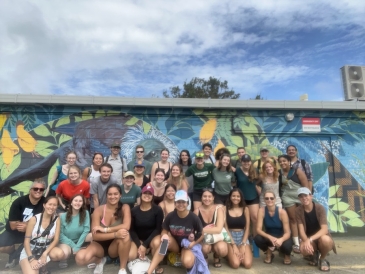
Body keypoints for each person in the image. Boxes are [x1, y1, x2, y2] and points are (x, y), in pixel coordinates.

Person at [75, 184, 131, 274]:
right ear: (106, 195)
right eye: (110, 194)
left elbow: (126, 226)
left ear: (120, 195)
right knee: (80, 259)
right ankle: (99, 261)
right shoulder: (99, 210)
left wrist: (105, 230)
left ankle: (122, 269)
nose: (113, 197)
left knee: (125, 235)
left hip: (115, 246)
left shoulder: (125, 207)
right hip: (99, 245)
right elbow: (95, 236)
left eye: (116, 194)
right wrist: (115, 234)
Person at [145, 190, 204, 274]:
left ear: (187, 203)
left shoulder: (193, 217)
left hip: (187, 245)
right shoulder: (171, 216)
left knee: (188, 262)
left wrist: (193, 243)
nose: (180, 204)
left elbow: (201, 234)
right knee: (164, 242)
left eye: (183, 202)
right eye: (178, 202)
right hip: (174, 244)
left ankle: (189, 261)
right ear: (175, 203)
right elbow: (164, 230)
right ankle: (149, 271)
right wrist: (164, 235)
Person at [0, 179, 46, 269]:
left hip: (33, 233)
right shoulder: (19, 202)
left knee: (36, 241)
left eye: (41, 189)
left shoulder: (45, 203)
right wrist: (31, 224)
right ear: (30, 190)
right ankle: (13, 252)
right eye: (35, 189)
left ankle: (16, 256)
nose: (38, 191)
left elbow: (46, 223)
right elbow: (13, 226)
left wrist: (28, 227)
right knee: (1, 247)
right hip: (15, 232)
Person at [19, 196, 63, 274]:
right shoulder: (34, 219)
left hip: (45, 248)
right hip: (31, 249)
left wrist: (45, 253)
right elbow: (26, 241)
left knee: (59, 254)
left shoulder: (57, 219)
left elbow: (56, 239)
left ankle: (42, 266)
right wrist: (31, 259)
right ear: (44, 205)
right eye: (50, 204)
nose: (51, 207)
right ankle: (40, 266)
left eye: (54, 205)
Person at [296, 187, 336, 272]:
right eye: (301, 196)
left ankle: (322, 259)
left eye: (306, 195)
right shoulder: (298, 210)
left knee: (326, 240)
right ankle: (314, 255)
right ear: (299, 199)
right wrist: (306, 240)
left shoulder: (319, 208)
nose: (304, 198)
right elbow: (301, 230)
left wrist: (309, 239)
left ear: (311, 196)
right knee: (303, 248)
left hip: (320, 237)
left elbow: (324, 229)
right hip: (309, 239)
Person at [278, 154, 309, 254]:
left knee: (302, 219)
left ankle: (304, 240)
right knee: (293, 219)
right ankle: (296, 243)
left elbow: (305, 185)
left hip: (299, 196)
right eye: (280, 161)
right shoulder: (279, 173)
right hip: (287, 197)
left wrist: (306, 198)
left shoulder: (297, 171)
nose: (282, 163)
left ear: (289, 162)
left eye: (284, 161)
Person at [254, 190, 292, 265]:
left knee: (287, 246)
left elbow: (287, 233)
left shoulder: (282, 212)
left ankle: (286, 254)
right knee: (257, 238)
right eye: (267, 198)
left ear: (275, 199)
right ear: (264, 200)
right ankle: (269, 252)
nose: (269, 200)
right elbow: (258, 229)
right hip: (269, 236)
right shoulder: (261, 211)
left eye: (271, 198)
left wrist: (281, 240)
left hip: (282, 236)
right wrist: (269, 237)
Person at [129, 186, 164, 264]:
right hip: (139, 239)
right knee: (130, 256)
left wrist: (145, 244)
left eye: (150, 194)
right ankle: (144, 251)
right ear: (141, 195)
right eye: (145, 193)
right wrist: (139, 244)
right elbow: (132, 230)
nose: (147, 195)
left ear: (152, 196)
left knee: (156, 243)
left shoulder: (157, 210)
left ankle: (155, 262)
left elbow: (158, 229)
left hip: (152, 238)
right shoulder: (134, 210)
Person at [194, 188, 228, 268]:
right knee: (205, 248)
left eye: (209, 196)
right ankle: (205, 256)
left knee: (223, 250)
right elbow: (195, 230)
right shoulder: (196, 211)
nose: (207, 199)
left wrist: (202, 229)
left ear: (213, 198)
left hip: (217, 237)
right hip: (204, 239)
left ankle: (216, 256)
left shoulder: (219, 209)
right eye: (204, 196)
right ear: (201, 198)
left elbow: (219, 229)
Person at [58, 194, 91, 269]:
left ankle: (90, 257)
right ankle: (65, 259)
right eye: (75, 200)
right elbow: (61, 234)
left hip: (80, 239)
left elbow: (86, 230)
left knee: (92, 236)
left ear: (82, 203)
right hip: (67, 241)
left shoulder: (85, 213)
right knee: (65, 253)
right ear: (71, 203)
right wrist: (74, 246)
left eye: (80, 201)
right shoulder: (63, 216)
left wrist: (78, 246)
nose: (78, 203)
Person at [224, 188, 253, 269]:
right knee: (236, 264)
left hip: (242, 236)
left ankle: (240, 251)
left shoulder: (245, 209)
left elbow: (247, 228)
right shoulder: (225, 209)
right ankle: (228, 255)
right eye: (233, 196)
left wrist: (243, 244)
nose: (235, 198)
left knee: (247, 264)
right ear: (230, 197)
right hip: (230, 237)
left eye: (238, 196)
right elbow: (225, 228)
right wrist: (233, 245)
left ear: (241, 198)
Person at [234, 154, 260, 236]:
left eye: (248, 161)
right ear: (241, 162)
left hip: (253, 197)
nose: (246, 163)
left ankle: (255, 238)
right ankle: (246, 237)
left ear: (250, 162)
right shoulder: (237, 171)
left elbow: (259, 183)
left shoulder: (255, 170)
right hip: (241, 199)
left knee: (255, 218)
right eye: (244, 161)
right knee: (244, 219)